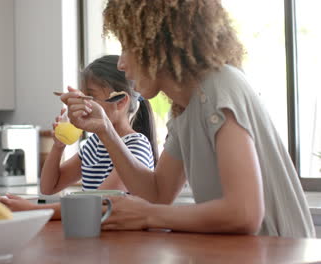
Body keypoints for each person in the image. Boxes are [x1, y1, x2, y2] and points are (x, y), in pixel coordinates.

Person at [60, 0, 315, 237]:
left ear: (159, 42)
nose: (121, 64)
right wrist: (105, 129)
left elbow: (244, 213)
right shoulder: (185, 110)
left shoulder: (219, 86)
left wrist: (147, 215)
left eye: (127, 47)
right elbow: (157, 193)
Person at [0, 55, 158, 220]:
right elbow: (49, 187)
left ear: (120, 102)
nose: (81, 104)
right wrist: (58, 146)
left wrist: (32, 209)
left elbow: (97, 204)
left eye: (90, 97)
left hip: (123, 239)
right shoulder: (93, 144)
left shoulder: (136, 146)